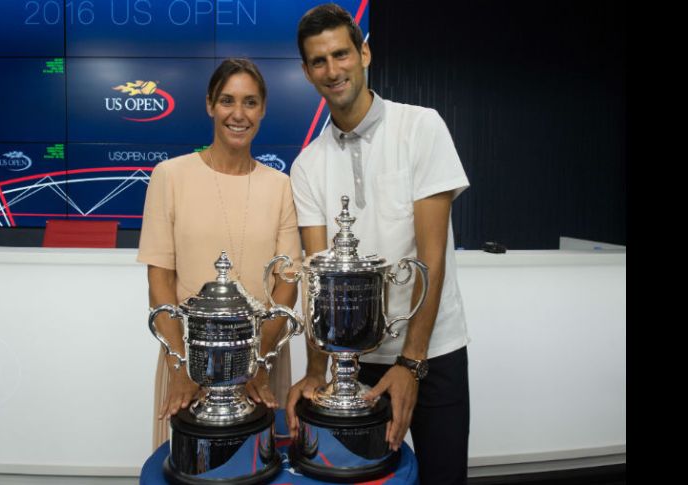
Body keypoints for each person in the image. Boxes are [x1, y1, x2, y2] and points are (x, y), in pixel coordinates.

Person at [286, 4, 471, 484]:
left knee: (441, 476)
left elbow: (430, 259)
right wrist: (314, 369)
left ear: (363, 52)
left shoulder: (421, 127)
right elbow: (315, 274)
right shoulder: (306, 165)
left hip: (432, 351)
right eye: (319, 61)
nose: (333, 70)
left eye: (341, 54)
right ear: (307, 73)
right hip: (354, 361)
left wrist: (411, 362)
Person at [137, 58, 303, 450]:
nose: (238, 114)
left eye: (250, 102)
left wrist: (255, 362)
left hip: (263, 363)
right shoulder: (170, 176)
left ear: (262, 110)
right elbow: (159, 280)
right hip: (188, 362)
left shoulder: (281, 186)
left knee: (258, 467)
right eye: (227, 100)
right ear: (210, 104)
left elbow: (287, 285)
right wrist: (182, 365)